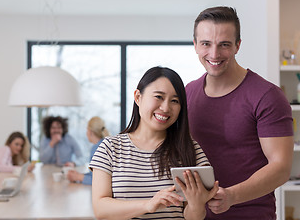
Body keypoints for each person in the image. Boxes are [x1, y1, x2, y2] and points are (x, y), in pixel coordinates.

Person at [186, 6, 294, 219]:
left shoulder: (267, 95)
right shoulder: (187, 92)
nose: (214, 54)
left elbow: (281, 167)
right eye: (206, 44)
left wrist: (232, 196)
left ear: (237, 46)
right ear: (195, 46)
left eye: (224, 44)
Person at [89, 66, 219, 219]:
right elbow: (100, 210)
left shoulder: (190, 149)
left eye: (175, 101)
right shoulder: (110, 148)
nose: (165, 108)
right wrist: (148, 205)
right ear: (138, 97)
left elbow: (193, 216)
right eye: (158, 97)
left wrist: (196, 205)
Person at [67, 116, 109, 185]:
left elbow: (98, 181)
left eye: (87, 129)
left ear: (91, 132)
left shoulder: (97, 149)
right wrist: (79, 175)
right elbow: (95, 174)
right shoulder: (105, 144)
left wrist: (78, 177)